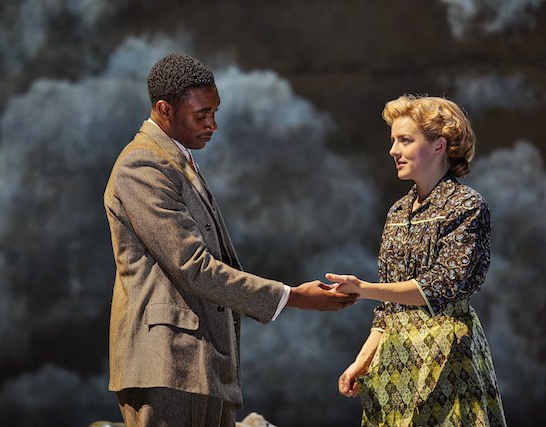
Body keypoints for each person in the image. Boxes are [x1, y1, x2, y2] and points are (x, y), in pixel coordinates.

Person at [103, 53, 357, 427]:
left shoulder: (175, 159)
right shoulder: (142, 164)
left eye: (214, 113)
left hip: (200, 364)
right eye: (201, 115)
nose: (212, 125)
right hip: (167, 364)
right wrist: (293, 297)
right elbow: (193, 267)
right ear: (164, 109)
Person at [326, 95, 507, 426]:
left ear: (439, 146)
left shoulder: (466, 205)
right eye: (393, 140)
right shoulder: (397, 211)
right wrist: (362, 360)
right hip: (396, 360)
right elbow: (387, 309)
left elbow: (442, 285)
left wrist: (363, 288)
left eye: (405, 140)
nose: (393, 150)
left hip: (445, 355)